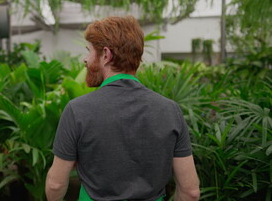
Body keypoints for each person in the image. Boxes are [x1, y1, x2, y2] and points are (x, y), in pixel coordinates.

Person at [45, 16, 200, 201]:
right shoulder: (170, 110)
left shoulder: (77, 110)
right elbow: (191, 192)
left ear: (106, 55)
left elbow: (55, 184)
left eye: (89, 51)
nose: (85, 60)